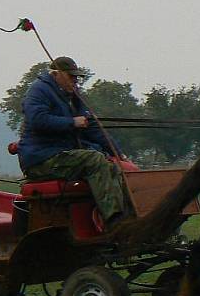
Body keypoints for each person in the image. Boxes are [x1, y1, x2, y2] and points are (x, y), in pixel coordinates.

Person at [17, 56, 127, 226]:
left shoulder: (74, 96)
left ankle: (123, 214)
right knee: (94, 160)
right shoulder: (38, 91)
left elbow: (92, 128)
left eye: (76, 78)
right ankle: (114, 220)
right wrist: (72, 122)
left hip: (64, 155)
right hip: (42, 159)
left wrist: (118, 153)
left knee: (112, 165)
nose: (75, 81)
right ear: (56, 74)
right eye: (71, 77)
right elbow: (38, 120)